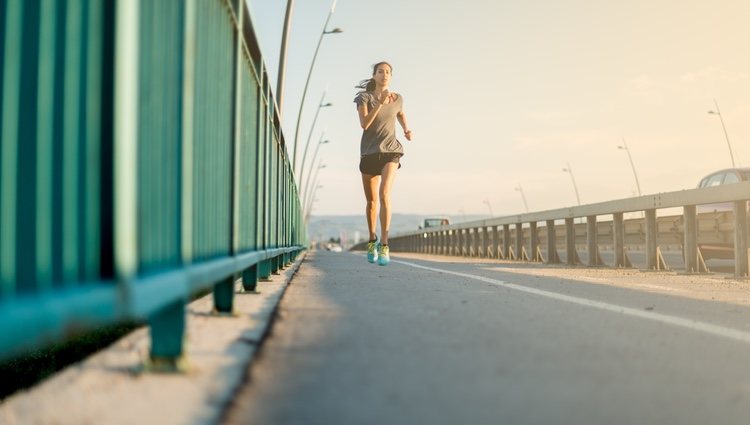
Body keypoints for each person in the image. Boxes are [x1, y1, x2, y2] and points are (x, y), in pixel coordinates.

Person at [353, 61, 412, 266]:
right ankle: (372, 239)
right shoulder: (364, 98)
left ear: (391, 76)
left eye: (387, 72)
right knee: (371, 203)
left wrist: (406, 129)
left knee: (385, 194)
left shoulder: (398, 98)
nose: (384, 75)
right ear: (374, 75)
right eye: (380, 72)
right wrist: (379, 103)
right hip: (369, 152)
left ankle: (384, 244)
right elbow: (365, 124)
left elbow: (401, 113)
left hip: (391, 151)